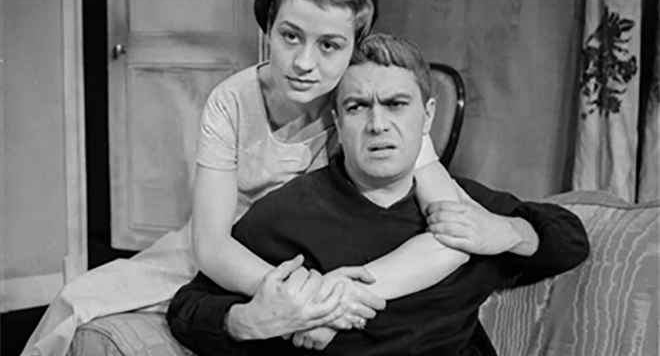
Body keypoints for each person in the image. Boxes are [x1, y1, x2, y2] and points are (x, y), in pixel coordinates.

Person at [22, 0, 462, 356]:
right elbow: (211, 244)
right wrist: (293, 298)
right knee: (75, 301)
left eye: (329, 45)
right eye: (291, 36)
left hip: (314, 255)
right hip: (230, 252)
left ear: (354, 46)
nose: (304, 62)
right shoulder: (230, 102)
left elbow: (453, 217)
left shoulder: (362, 102)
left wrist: (495, 229)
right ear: (268, 31)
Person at [166, 33, 590, 356]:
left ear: (427, 116)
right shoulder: (286, 214)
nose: (378, 124)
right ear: (337, 120)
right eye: (357, 107)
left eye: (395, 104)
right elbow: (188, 307)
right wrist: (246, 321)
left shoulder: (466, 208)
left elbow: (570, 240)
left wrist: (507, 232)